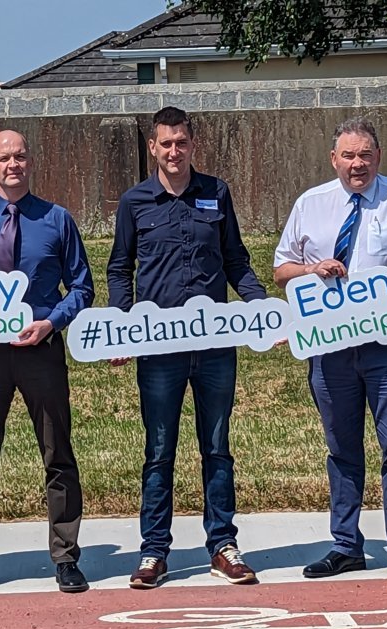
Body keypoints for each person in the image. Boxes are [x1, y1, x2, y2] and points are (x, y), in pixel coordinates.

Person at [273, 117, 387, 589]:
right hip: (330, 351)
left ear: (378, 157)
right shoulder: (311, 204)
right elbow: (280, 270)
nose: (357, 164)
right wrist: (312, 268)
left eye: (365, 155)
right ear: (334, 160)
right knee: (342, 450)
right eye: (348, 155)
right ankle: (346, 546)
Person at [107, 106, 266, 590]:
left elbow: (235, 260)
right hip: (159, 351)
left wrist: (261, 307)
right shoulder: (135, 202)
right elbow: (119, 268)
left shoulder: (216, 193)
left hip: (215, 345)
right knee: (159, 451)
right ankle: (154, 551)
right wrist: (122, 322)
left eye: (181, 142)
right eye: (165, 144)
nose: (174, 151)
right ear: (152, 148)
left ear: (192, 145)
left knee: (217, 448)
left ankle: (223, 545)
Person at [0, 129, 93, 596]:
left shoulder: (57, 219)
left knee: (58, 456)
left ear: (31, 163)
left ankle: (66, 557)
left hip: (39, 352)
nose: (14, 164)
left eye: (21, 156)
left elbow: (83, 288)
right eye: (4, 158)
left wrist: (52, 323)